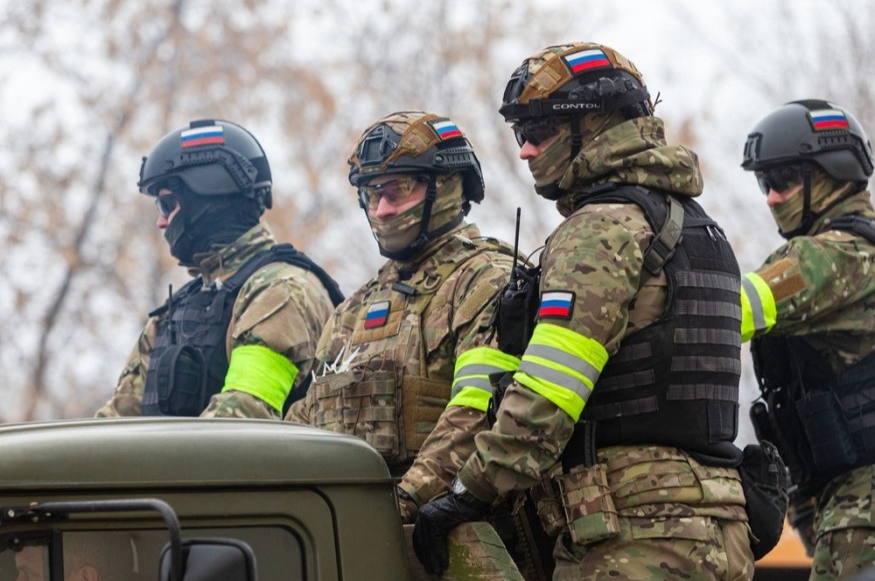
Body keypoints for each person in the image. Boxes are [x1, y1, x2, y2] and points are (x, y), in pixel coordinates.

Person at [412, 42, 756, 580]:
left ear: (595, 124)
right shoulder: (701, 229)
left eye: (539, 131)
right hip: (718, 525)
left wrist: (468, 490)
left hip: (632, 536)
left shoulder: (599, 228)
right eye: (520, 134)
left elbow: (549, 391)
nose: (525, 151)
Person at [285, 111, 520, 525]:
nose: (381, 210)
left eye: (399, 190)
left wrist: (404, 502)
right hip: (351, 524)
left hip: (450, 526)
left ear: (447, 186)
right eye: (371, 195)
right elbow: (305, 423)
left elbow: (479, 412)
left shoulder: (487, 279)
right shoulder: (354, 308)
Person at [95, 119, 342, 420]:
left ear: (209, 199)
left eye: (167, 205)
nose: (161, 222)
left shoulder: (282, 292)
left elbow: (242, 416)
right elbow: (116, 421)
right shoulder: (174, 312)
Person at [740, 99, 875, 580]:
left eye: (783, 180)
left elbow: (737, 307)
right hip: (839, 496)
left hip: (864, 506)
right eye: (764, 184)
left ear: (832, 175)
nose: (771, 198)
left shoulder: (842, 256)